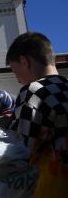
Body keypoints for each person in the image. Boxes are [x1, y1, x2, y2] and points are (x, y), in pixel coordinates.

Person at [6, 32, 68, 197]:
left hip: (53, 187)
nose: (17, 78)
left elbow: (21, 150)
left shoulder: (34, 91)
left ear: (24, 61)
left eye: (14, 70)